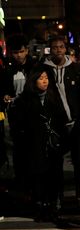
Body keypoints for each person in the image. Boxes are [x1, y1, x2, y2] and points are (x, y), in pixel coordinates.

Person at [9, 66, 68, 222]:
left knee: (54, 176)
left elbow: (61, 120)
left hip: (52, 146)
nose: (44, 81)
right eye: (41, 78)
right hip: (33, 146)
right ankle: (40, 206)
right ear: (33, 80)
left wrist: (61, 141)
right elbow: (17, 125)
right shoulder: (24, 100)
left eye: (46, 78)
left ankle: (54, 206)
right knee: (38, 177)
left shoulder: (53, 97)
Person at [43, 35, 80, 208]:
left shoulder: (76, 69)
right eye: (55, 47)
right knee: (55, 162)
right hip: (55, 125)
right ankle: (57, 197)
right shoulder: (43, 69)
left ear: (65, 49)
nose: (58, 50)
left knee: (79, 161)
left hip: (75, 123)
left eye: (61, 47)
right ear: (50, 49)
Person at [0, 34, 36, 196]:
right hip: (15, 113)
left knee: (33, 148)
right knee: (18, 149)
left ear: (26, 51)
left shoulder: (34, 66)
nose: (19, 55)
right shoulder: (8, 69)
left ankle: (33, 181)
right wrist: (6, 96)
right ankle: (21, 181)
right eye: (15, 52)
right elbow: (4, 88)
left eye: (21, 51)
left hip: (33, 113)